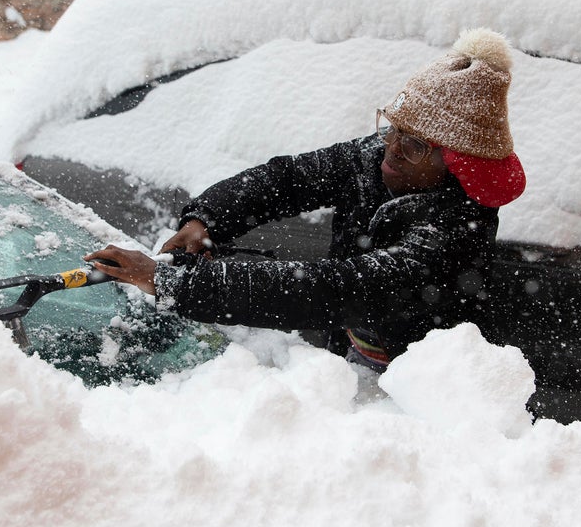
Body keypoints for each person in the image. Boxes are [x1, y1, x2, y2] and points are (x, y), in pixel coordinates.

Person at [85, 28, 526, 371]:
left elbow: (331, 289)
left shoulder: (454, 228)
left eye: (414, 145)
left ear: (456, 163)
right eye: (392, 127)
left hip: (424, 384)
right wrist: (207, 219)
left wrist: (171, 284)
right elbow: (289, 178)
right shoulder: (374, 158)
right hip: (352, 354)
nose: (391, 147)